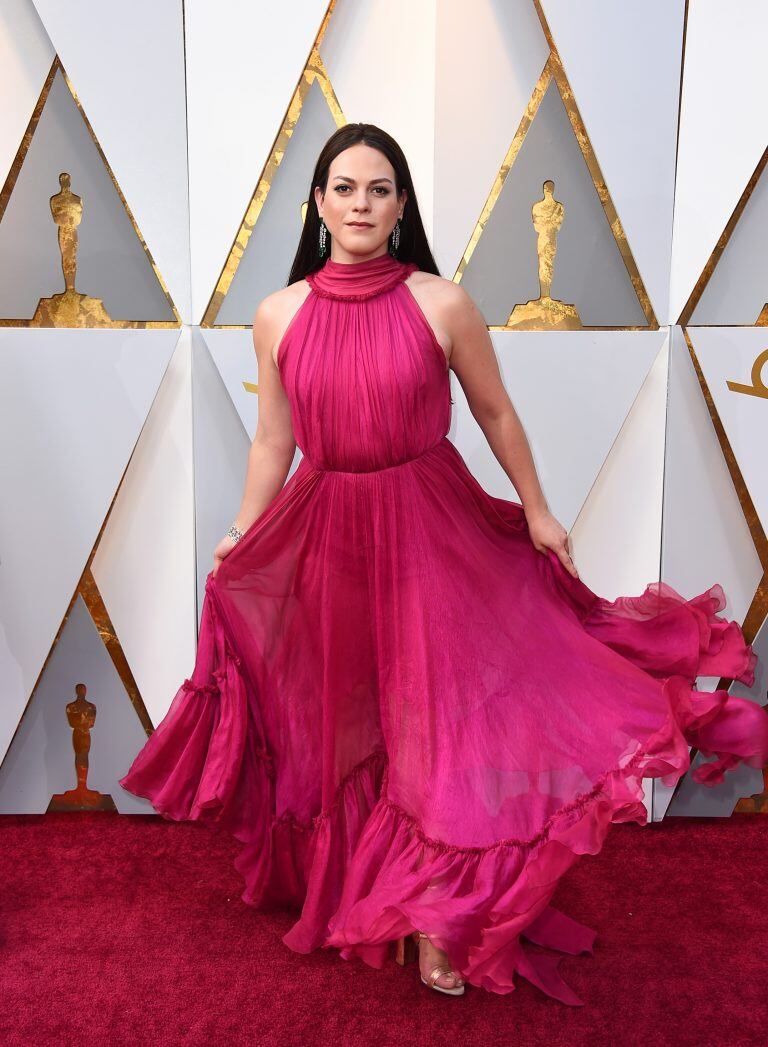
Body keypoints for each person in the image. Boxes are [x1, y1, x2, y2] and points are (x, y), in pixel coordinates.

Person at [120, 123, 768, 1005]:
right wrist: (244, 528)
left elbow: (496, 413)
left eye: (379, 189)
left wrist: (538, 508)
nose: (361, 204)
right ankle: (373, 890)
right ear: (317, 203)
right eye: (344, 188)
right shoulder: (279, 314)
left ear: (400, 206)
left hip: (429, 521)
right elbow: (274, 439)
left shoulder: (442, 302)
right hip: (328, 526)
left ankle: (440, 917)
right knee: (355, 713)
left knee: (432, 719)